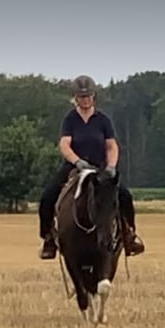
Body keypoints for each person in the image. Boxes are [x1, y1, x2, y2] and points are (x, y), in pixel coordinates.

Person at [38, 75, 145, 259]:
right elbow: (64, 144)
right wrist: (77, 161)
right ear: (75, 98)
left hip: (100, 169)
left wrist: (111, 166)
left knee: (125, 196)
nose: (85, 100)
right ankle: (48, 239)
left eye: (88, 96)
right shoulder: (70, 119)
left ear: (94, 96)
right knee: (47, 197)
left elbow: (111, 145)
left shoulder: (103, 120)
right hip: (75, 167)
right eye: (81, 96)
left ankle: (129, 235)